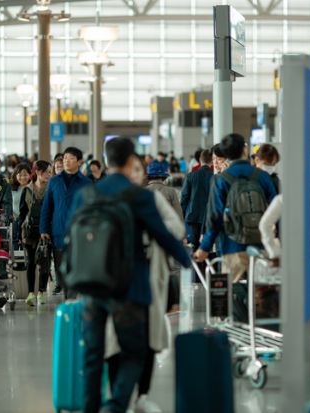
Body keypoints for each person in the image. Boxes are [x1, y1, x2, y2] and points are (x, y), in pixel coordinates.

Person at [69, 137, 191, 413]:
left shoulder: (86, 194)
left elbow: (71, 235)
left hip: (91, 284)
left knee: (93, 355)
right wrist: (186, 260)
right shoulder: (140, 196)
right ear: (131, 160)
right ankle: (116, 406)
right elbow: (163, 235)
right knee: (134, 352)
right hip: (129, 286)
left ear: (106, 159)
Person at [105, 154, 185, 413]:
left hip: (141, 278)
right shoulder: (108, 199)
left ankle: (137, 396)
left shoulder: (146, 199)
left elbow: (175, 229)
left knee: (145, 338)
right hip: (121, 280)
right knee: (119, 339)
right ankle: (123, 397)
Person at [259, 154, 310, 393]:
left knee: (293, 316)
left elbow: (264, 225)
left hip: (291, 261)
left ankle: (291, 373)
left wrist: (275, 251)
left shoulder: (284, 198)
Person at [194, 133, 277, 282]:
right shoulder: (262, 177)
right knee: (261, 295)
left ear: (225, 154)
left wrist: (205, 247)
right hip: (261, 246)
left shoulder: (220, 180)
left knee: (233, 295)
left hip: (232, 247)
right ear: (245, 150)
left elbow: (215, 216)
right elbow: (276, 211)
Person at [40, 147, 91, 298]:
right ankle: (68, 296)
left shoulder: (86, 183)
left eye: (71, 158)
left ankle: (72, 297)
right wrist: (44, 229)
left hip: (79, 232)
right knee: (61, 268)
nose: (67, 161)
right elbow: (47, 206)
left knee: (76, 266)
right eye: (65, 158)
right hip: (58, 231)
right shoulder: (54, 181)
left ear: (80, 162)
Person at [19, 160, 53, 307]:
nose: (49, 175)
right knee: (31, 263)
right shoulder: (27, 190)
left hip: (46, 231)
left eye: (51, 172)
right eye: (47, 172)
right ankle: (30, 294)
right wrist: (20, 232)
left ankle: (42, 292)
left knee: (44, 262)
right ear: (38, 172)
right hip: (30, 232)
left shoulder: (52, 188)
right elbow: (22, 213)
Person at [180, 149, 213, 250]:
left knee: (195, 246)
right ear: (212, 161)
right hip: (209, 217)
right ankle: (207, 265)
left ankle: (197, 265)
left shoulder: (191, 176)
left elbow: (184, 198)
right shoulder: (215, 177)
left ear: (200, 160)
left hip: (193, 216)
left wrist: (183, 215)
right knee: (208, 246)